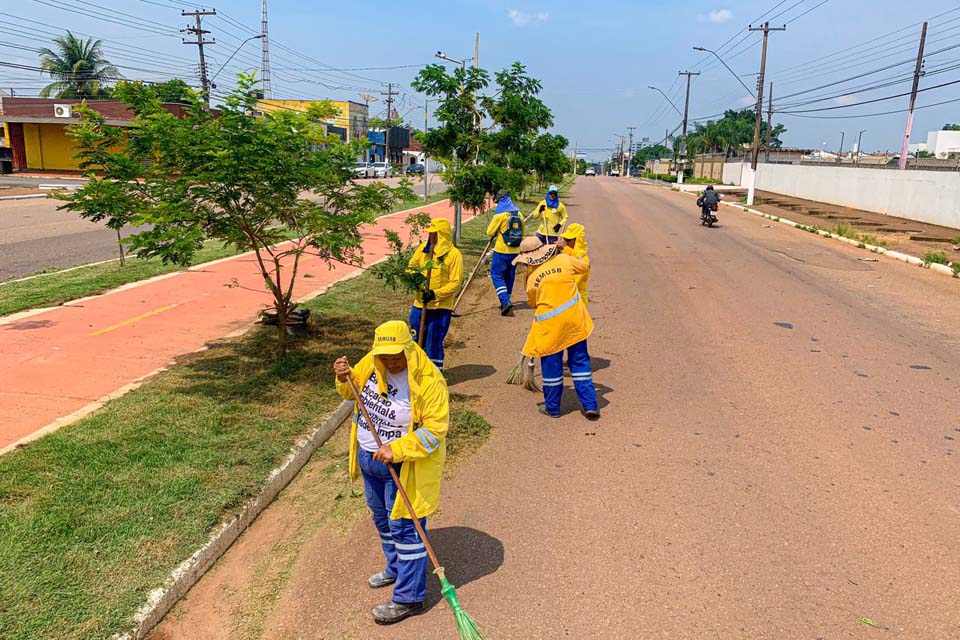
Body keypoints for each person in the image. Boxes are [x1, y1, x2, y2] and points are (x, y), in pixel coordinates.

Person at [333, 320, 449, 625]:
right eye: (384, 356)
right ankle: (395, 567)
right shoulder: (372, 363)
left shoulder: (429, 381)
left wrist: (396, 450)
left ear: (409, 349)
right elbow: (351, 392)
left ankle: (409, 597)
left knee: (407, 529)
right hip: (370, 460)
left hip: (403, 466)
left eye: (396, 355)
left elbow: (435, 431)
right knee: (381, 518)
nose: (391, 361)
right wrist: (343, 377)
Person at [513, 237, 600, 420]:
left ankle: (553, 408)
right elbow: (584, 266)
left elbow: (532, 302)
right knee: (580, 363)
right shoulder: (563, 259)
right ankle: (590, 404)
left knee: (551, 367)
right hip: (575, 323)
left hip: (550, 328)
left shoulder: (532, 278)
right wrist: (566, 249)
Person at [408, 218, 463, 371]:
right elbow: (412, 266)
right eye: (430, 234)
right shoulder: (422, 250)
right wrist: (418, 282)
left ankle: (435, 376)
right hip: (420, 305)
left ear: (442, 235)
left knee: (434, 342)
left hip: (441, 308)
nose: (431, 237)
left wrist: (435, 294)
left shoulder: (454, 255)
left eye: (434, 234)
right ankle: (415, 371)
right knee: (415, 339)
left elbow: (456, 282)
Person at [486, 193, 525, 315]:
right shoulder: (519, 214)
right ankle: (506, 301)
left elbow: (489, 232)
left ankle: (505, 300)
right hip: (515, 251)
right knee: (509, 275)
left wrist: (498, 230)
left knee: (496, 275)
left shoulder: (500, 214)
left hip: (502, 250)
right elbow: (523, 232)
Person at [559, 223, 590, 305]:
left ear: (577, 240)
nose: (565, 242)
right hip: (568, 301)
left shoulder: (582, 261)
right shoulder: (569, 253)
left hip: (577, 304)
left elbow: (572, 283)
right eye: (564, 239)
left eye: (568, 240)